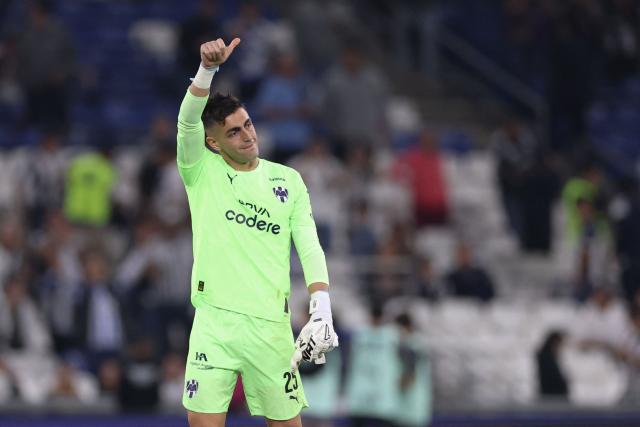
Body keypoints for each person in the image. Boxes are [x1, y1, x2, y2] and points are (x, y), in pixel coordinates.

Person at [176, 38, 338, 427]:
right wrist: (207, 70)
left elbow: (309, 245)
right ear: (212, 142)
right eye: (233, 132)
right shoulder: (200, 171)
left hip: (270, 326)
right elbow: (186, 121)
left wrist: (322, 305)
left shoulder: (288, 180)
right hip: (214, 323)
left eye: (247, 124)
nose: (247, 135)